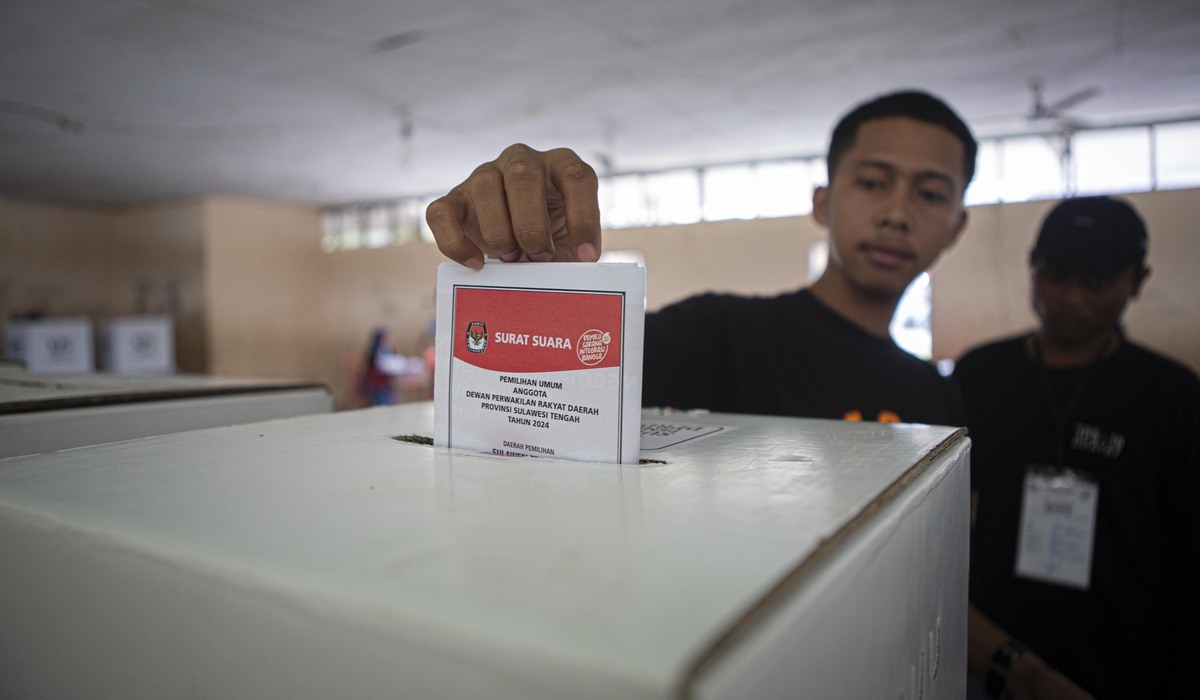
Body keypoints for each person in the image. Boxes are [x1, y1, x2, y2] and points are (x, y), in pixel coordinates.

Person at [427, 89, 973, 425]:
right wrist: (532, 278)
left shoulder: (940, 402)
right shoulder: (719, 337)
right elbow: (537, 388)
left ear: (957, 227)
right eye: (875, 182)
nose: (897, 213)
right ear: (823, 204)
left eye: (930, 194)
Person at [953, 196, 1200, 698]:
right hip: (997, 649)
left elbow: (1187, 547)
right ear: (1031, 266)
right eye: (1054, 274)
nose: (1069, 297)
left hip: (1122, 657)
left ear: (1137, 280)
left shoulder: (1170, 394)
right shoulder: (981, 374)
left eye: (1096, 282)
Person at [360, 327, 417, 406]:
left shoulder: (388, 350)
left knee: (394, 393)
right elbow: (385, 365)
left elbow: (395, 361)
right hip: (377, 384)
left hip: (386, 383)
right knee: (383, 400)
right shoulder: (376, 353)